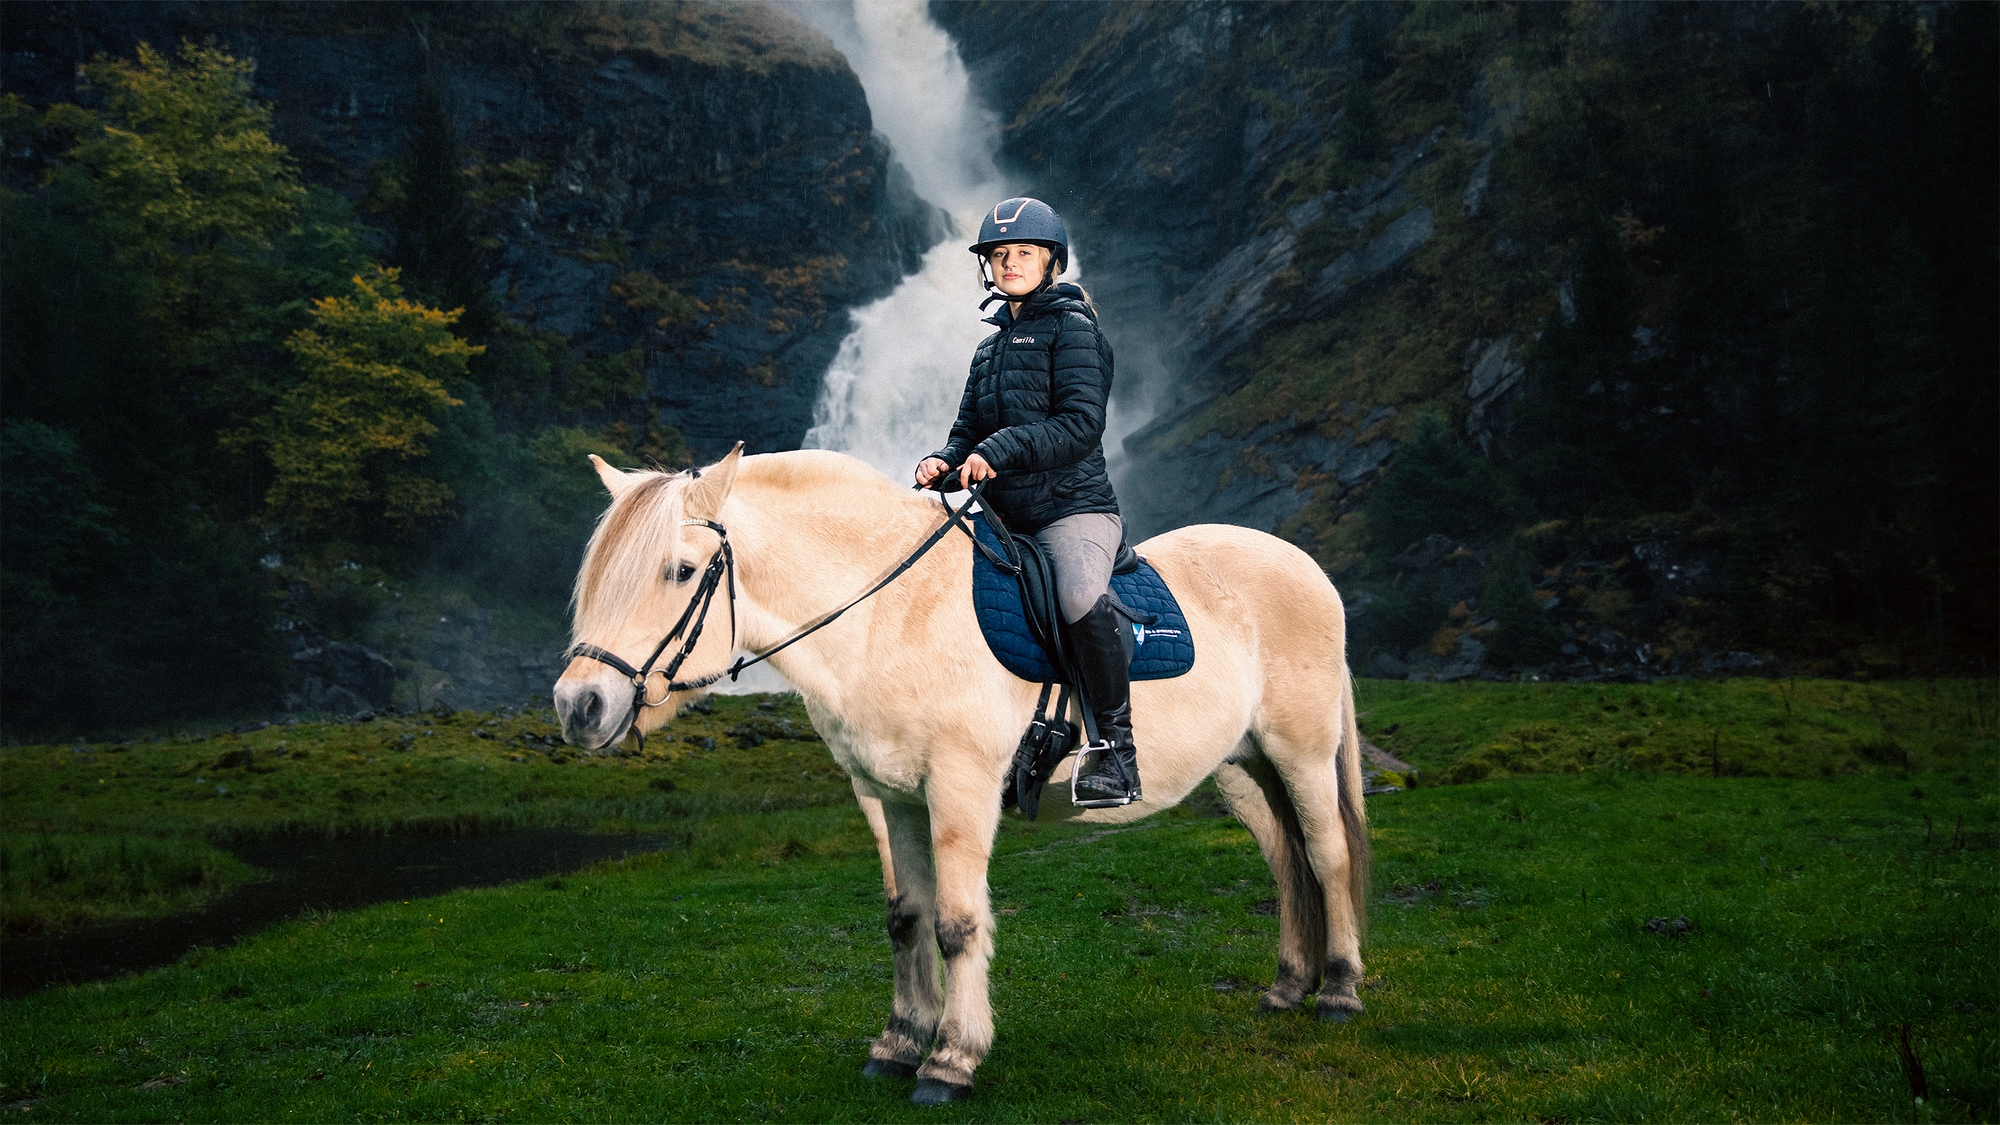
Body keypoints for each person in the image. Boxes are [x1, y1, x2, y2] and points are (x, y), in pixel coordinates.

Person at [914, 197, 1140, 807]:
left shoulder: (1075, 330)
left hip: (1074, 509)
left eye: (1024, 253)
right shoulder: (987, 351)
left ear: (1051, 261)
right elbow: (966, 432)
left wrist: (1004, 446)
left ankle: (1116, 751)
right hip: (1006, 518)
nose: (1010, 262)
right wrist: (944, 461)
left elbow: (1081, 424)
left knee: (1076, 593)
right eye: (999, 254)